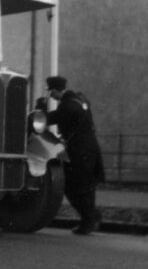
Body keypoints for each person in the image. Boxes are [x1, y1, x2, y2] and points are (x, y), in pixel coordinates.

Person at [43, 75, 105, 235]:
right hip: (91, 148)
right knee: (87, 187)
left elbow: (52, 118)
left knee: (70, 186)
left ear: (56, 90)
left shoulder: (67, 105)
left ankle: (88, 220)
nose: (51, 96)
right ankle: (91, 218)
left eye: (51, 92)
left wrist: (39, 113)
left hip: (80, 150)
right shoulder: (80, 99)